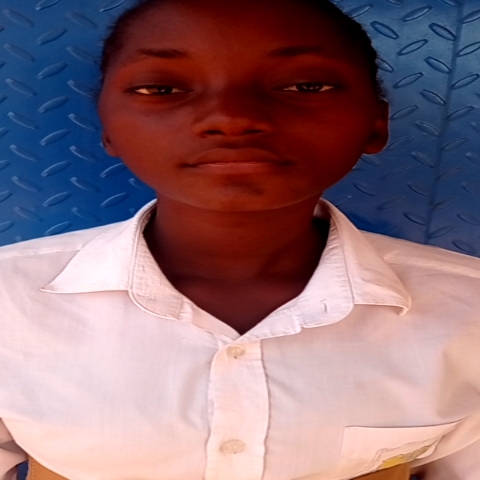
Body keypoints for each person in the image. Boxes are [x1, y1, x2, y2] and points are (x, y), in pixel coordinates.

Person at [0, 0, 479, 479]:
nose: (231, 117)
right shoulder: (10, 299)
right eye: (161, 89)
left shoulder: (467, 310)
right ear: (107, 128)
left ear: (376, 122)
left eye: (305, 86)